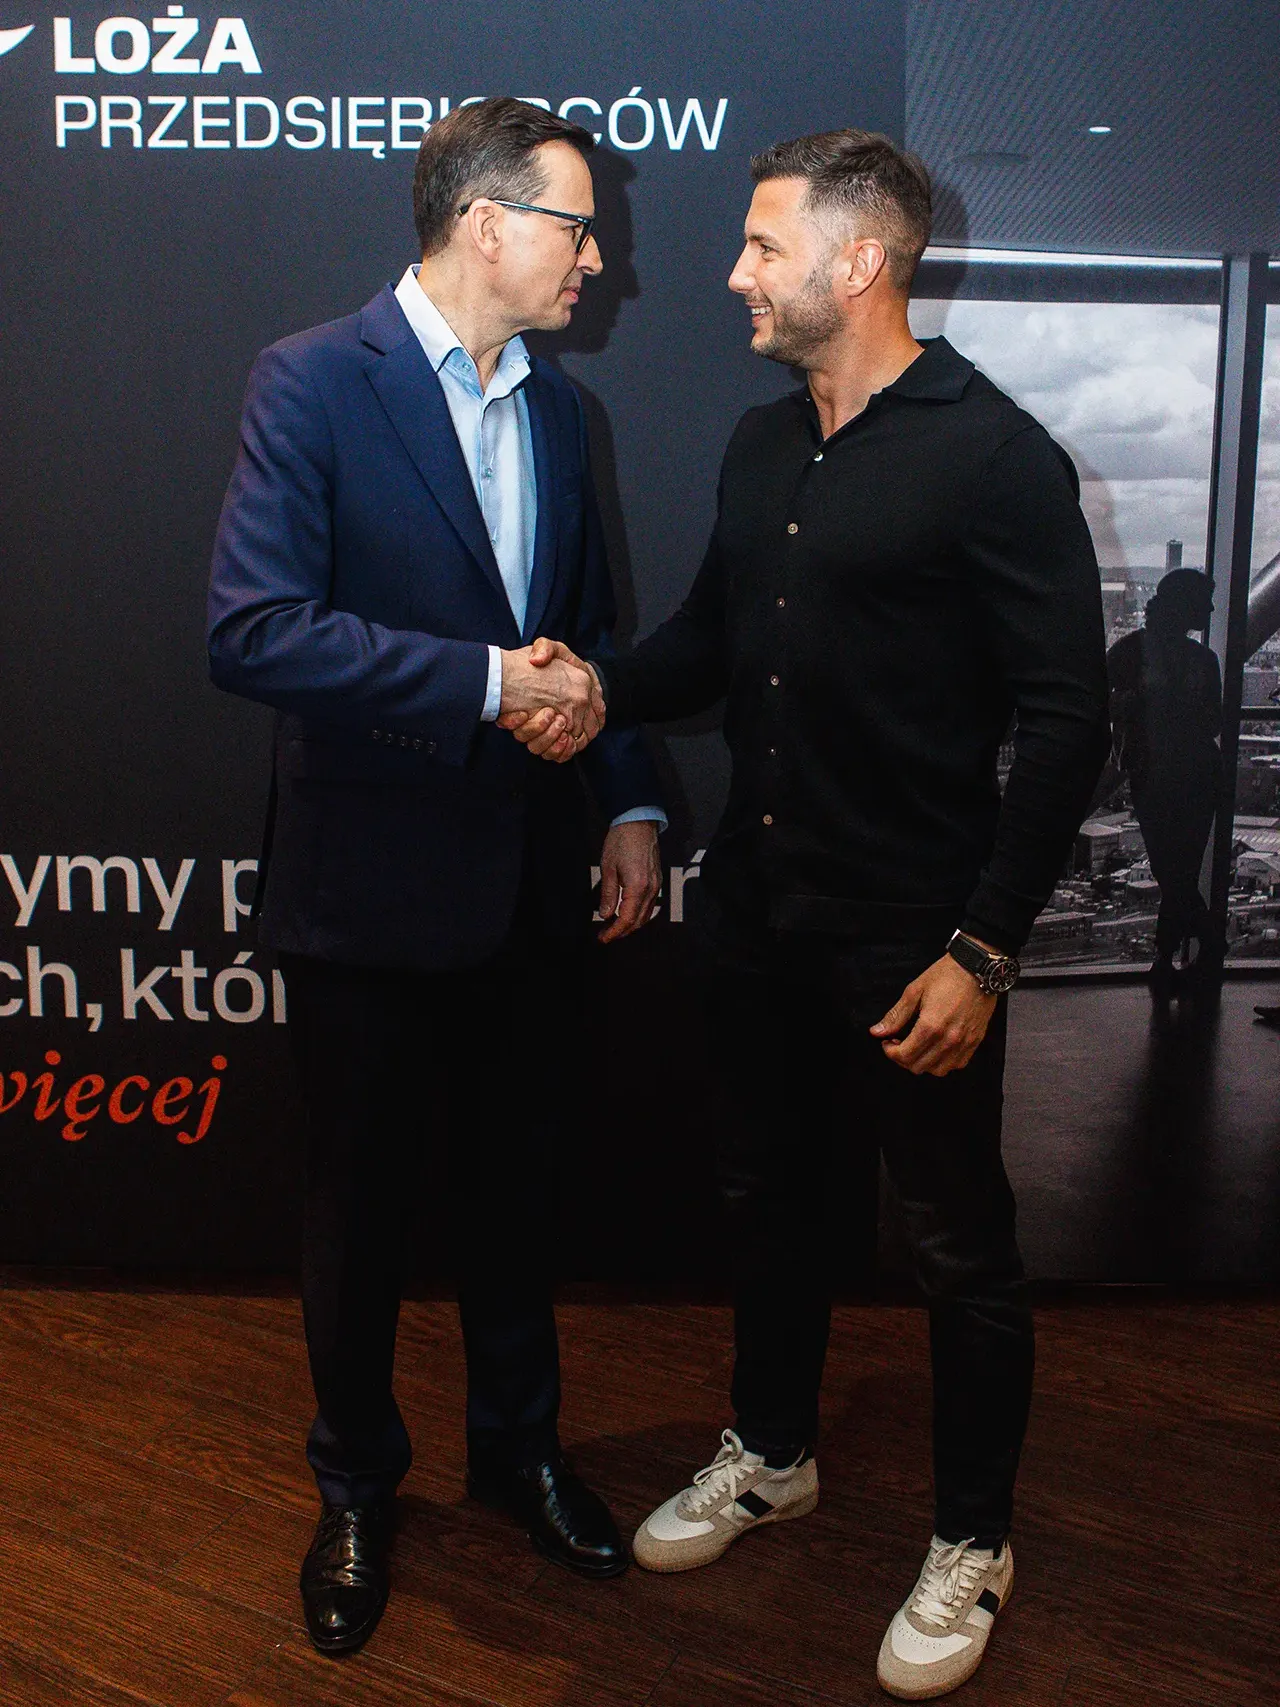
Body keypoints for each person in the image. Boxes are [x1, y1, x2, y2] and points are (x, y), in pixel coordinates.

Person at [507, 129, 1110, 1699]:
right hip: (760, 915)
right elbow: (708, 643)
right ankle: (774, 1452)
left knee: (956, 1245)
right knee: (767, 1197)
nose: (734, 274)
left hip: (916, 940)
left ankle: (973, 1540)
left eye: (763, 247)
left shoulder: (998, 456)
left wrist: (985, 948)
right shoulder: (766, 441)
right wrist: (594, 686)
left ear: (860, 262)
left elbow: (1067, 721)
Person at [207, 97, 665, 1657]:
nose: (597, 262)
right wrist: (482, 683)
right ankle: (354, 1488)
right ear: (486, 224)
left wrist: (629, 801)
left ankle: (520, 1454)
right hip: (368, 890)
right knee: (358, 1215)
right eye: (577, 229)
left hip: (530, 881)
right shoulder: (312, 380)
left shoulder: (564, 415)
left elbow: (585, 639)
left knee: (518, 1197)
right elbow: (253, 628)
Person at [1107, 569, 1223, 994]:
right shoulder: (1204, 661)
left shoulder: (1128, 652)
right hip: (1195, 775)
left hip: (1154, 774)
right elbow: (1212, 721)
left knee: (1171, 871)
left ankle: (1173, 955)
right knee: (1180, 871)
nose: (1211, 609)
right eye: (1204, 601)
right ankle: (1197, 948)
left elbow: (1102, 701)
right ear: (1184, 606)